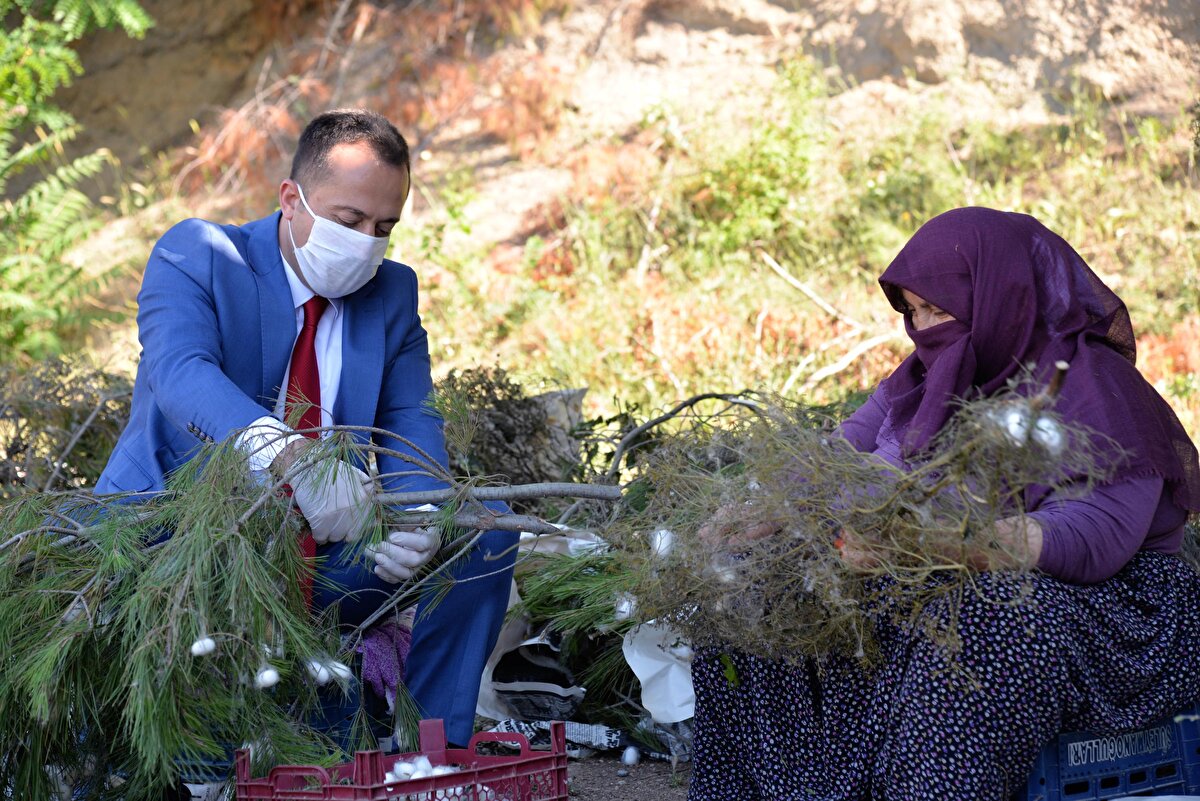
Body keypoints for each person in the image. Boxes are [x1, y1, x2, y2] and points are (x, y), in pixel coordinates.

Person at [687, 207, 1200, 800]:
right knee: (756, 592)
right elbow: (838, 456)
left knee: (973, 626)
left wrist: (935, 548)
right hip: (941, 569)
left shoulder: (1098, 390)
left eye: (938, 308)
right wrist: (765, 511)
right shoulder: (923, 379)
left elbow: (1093, 539)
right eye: (914, 311)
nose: (923, 327)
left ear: (1000, 297)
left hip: (1111, 609)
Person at [93, 109, 515, 750]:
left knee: (484, 529)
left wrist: (420, 516)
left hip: (324, 552)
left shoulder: (392, 292)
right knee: (259, 754)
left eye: (384, 227)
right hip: (177, 556)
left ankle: (431, 752)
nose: (366, 243)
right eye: (348, 221)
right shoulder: (198, 256)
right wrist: (294, 457)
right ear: (291, 199)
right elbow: (181, 373)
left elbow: (410, 417)